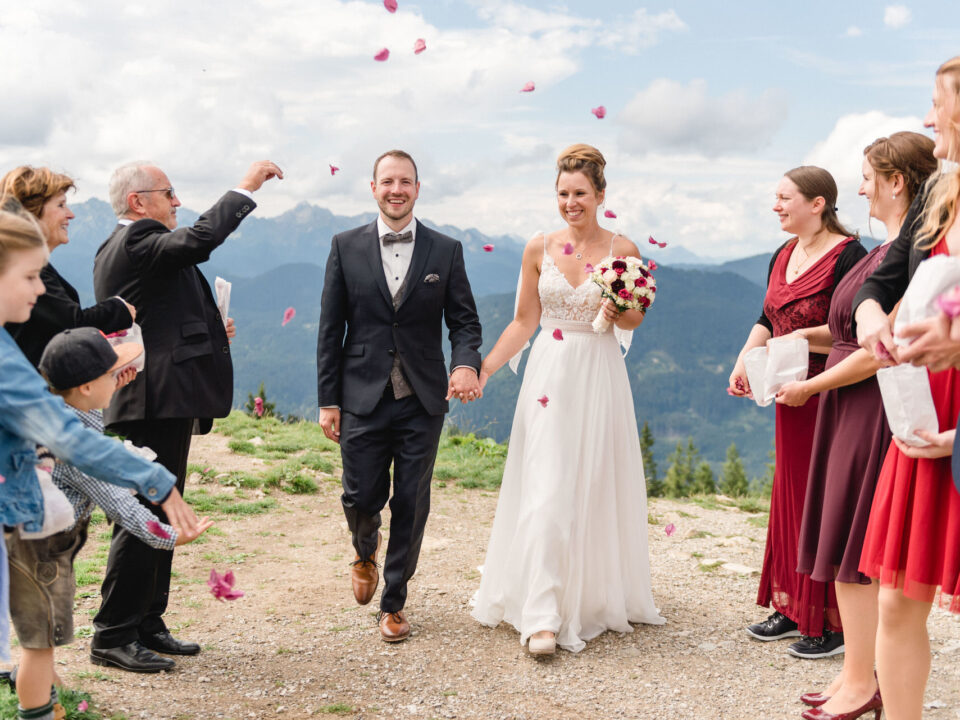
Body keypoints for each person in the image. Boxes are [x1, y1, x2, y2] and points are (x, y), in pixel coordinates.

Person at [0, 207, 199, 720]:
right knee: (37, 640)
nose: (39, 291)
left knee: (29, 642)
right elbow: (78, 446)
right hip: (29, 528)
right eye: (27, 276)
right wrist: (159, 485)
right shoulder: (8, 362)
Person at [470, 144, 665, 655]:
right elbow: (524, 321)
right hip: (551, 375)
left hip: (599, 372)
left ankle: (592, 596)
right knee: (548, 485)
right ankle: (542, 615)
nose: (570, 202)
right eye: (562, 193)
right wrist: (485, 368)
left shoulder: (625, 250)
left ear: (601, 194)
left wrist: (617, 300)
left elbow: (633, 321)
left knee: (593, 483)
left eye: (580, 193)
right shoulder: (539, 246)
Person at [90, 159, 282, 671]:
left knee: (161, 508)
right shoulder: (135, 240)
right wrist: (244, 188)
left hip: (161, 398)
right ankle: (112, 633)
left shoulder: (131, 246)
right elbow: (199, 241)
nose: (177, 201)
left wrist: (213, 328)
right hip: (150, 400)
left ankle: (147, 622)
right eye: (169, 192)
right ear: (138, 202)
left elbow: (159, 315)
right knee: (143, 515)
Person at [775, 133, 936, 719]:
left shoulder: (915, 253)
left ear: (897, 182)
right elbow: (846, 329)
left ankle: (864, 682)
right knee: (839, 542)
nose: (860, 187)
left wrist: (811, 387)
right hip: (844, 402)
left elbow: (879, 349)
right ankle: (853, 679)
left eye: (869, 176)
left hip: (869, 403)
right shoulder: (879, 254)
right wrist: (797, 337)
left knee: (856, 552)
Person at [316, 149, 482, 643]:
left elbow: (464, 321)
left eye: (405, 181)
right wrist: (328, 400)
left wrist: (466, 363)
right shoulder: (344, 246)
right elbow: (330, 329)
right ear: (373, 188)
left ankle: (393, 603)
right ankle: (364, 551)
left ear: (417, 187)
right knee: (360, 495)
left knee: (411, 500)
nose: (396, 189)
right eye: (387, 181)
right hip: (360, 394)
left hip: (422, 398)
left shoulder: (445, 249)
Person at [7, 327, 213, 716]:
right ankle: (37, 707)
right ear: (84, 387)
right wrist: (170, 536)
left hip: (31, 541)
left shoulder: (63, 411)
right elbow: (121, 505)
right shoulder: (75, 448)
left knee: (36, 637)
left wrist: (111, 385)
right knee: (40, 641)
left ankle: (43, 686)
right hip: (40, 550)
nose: (123, 375)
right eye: (111, 372)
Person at [852, 56, 960, 720]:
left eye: (937, 101)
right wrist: (873, 322)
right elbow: (883, 284)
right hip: (922, 414)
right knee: (895, 598)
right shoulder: (943, 201)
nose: (926, 117)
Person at [728, 167, 866, 657]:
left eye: (785, 198)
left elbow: (852, 331)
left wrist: (800, 340)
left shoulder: (851, 255)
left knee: (822, 500)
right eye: (776, 197)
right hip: (787, 391)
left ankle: (831, 621)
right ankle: (791, 605)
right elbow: (767, 317)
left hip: (828, 390)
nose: (776, 206)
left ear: (819, 204)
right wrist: (745, 359)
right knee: (790, 493)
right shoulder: (782, 253)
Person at [0, 166, 135, 365]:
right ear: (32, 211)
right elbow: (70, 324)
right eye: (61, 205)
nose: (71, 214)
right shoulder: (26, 271)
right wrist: (118, 309)